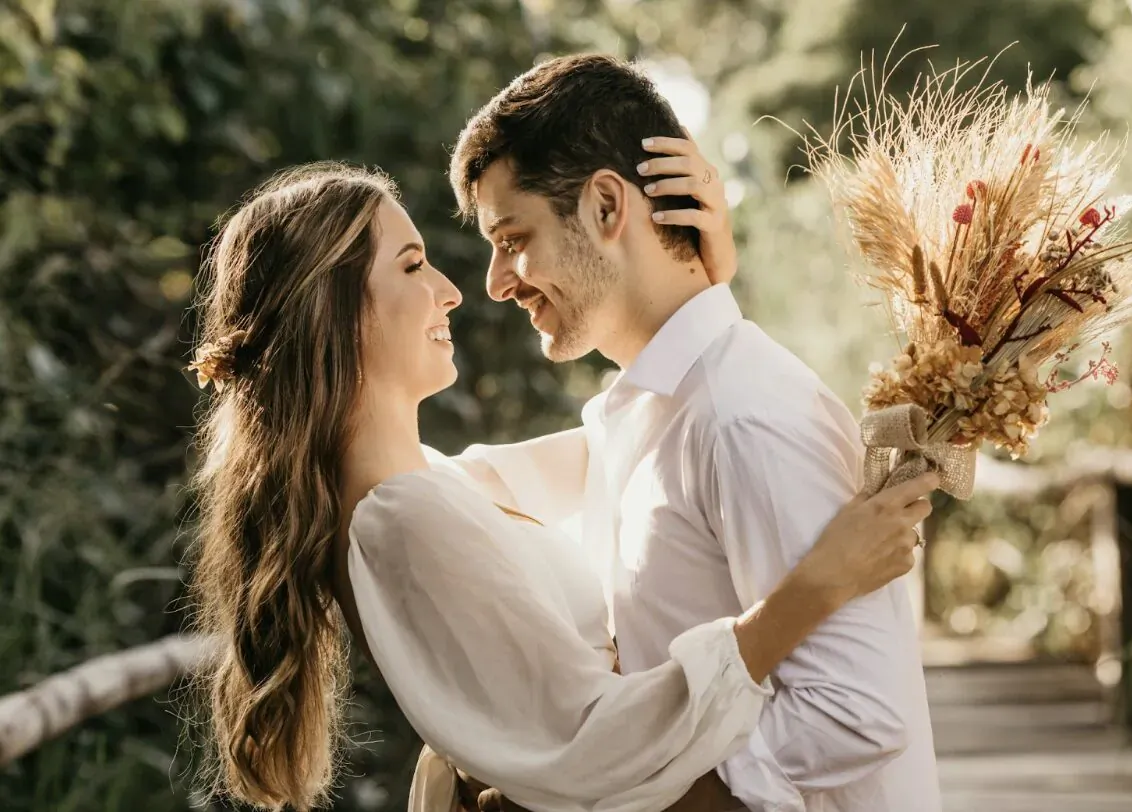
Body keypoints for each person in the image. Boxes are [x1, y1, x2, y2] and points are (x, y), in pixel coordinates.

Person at [186, 161, 936, 812]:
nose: (452, 291)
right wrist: (815, 589)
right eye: (412, 266)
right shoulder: (400, 520)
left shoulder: (437, 486)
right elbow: (592, 742)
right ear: (334, 311)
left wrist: (695, 287)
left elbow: (648, 428)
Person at [446, 54, 942, 812]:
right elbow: (460, 487)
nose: (495, 280)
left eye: (512, 237)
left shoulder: (745, 417)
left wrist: (605, 797)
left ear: (607, 207)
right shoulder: (642, 409)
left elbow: (857, 712)